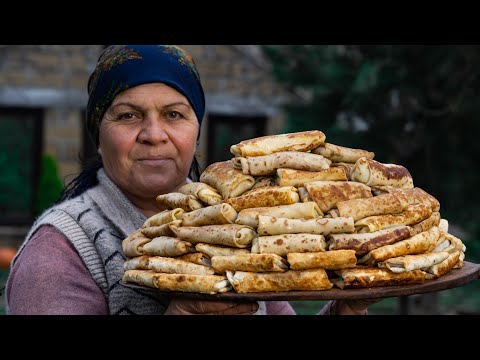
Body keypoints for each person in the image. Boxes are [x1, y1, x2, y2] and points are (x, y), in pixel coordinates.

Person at [5, 45, 379, 315]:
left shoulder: (238, 222)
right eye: (128, 116)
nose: (154, 134)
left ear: (196, 132)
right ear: (98, 137)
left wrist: (344, 310)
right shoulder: (59, 253)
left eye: (173, 114)